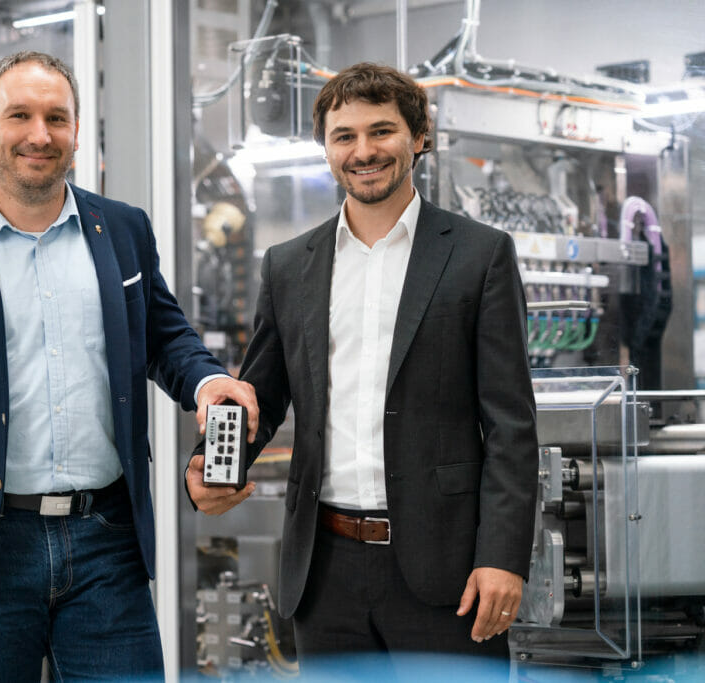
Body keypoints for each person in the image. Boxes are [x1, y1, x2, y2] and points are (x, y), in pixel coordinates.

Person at [0, 51, 257, 682]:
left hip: (106, 540)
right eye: (19, 115)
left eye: (56, 118)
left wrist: (209, 382)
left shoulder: (123, 229)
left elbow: (164, 336)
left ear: (76, 130)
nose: (39, 135)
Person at [187, 62, 538, 675]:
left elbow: (510, 424)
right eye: (344, 136)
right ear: (326, 148)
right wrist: (212, 468)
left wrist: (503, 557)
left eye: (382, 131)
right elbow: (260, 395)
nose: (363, 151)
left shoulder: (479, 255)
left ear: (419, 137)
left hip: (447, 566)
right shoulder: (288, 265)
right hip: (324, 571)